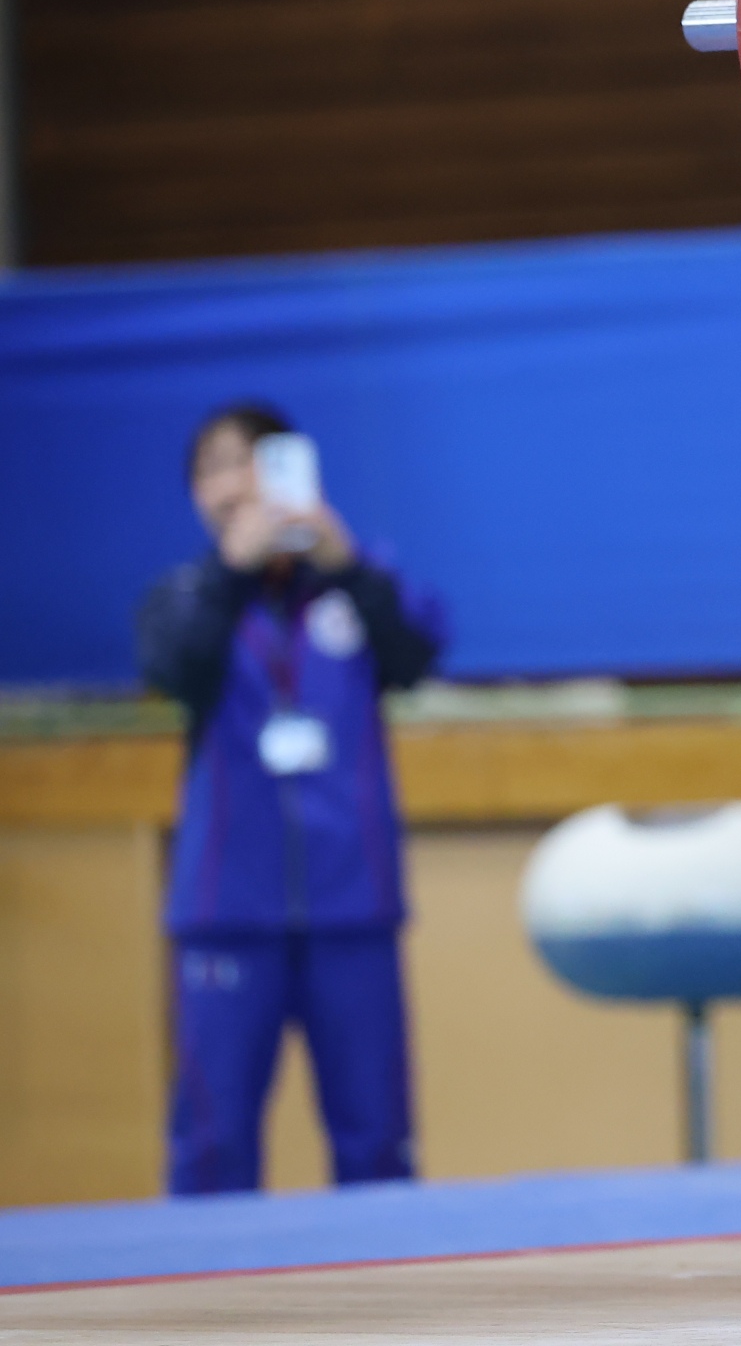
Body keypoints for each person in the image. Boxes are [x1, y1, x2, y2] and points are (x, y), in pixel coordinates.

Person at [137, 403, 446, 1194]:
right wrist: (232, 572)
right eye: (211, 469)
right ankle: (208, 1279)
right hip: (229, 911)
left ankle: (383, 1276)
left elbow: (417, 654)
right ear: (196, 497)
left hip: (352, 906)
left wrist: (347, 567)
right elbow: (173, 666)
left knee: (377, 1138)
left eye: (250, 460)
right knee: (214, 1142)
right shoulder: (186, 595)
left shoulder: (356, 584)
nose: (233, 483)